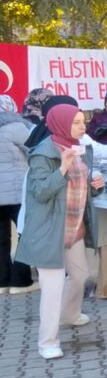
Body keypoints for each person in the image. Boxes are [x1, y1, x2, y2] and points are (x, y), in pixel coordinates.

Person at [15, 104, 104, 359]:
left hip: (74, 227)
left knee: (80, 276)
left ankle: (70, 314)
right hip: (49, 229)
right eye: (76, 123)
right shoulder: (43, 154)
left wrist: (95, 186)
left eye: (82, 121)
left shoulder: (81, 148)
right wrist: (63, 169)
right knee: (52, 288)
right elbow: (41, 192)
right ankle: (48, 342)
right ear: (62, 124)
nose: (82, 127)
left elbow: (81, 186)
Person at [0, 96, 35, 295]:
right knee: (26, 234)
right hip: (16, 193)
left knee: (1, 239)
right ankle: (20, 282)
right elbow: (34, 150)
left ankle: (2, 281)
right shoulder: (17, 127)